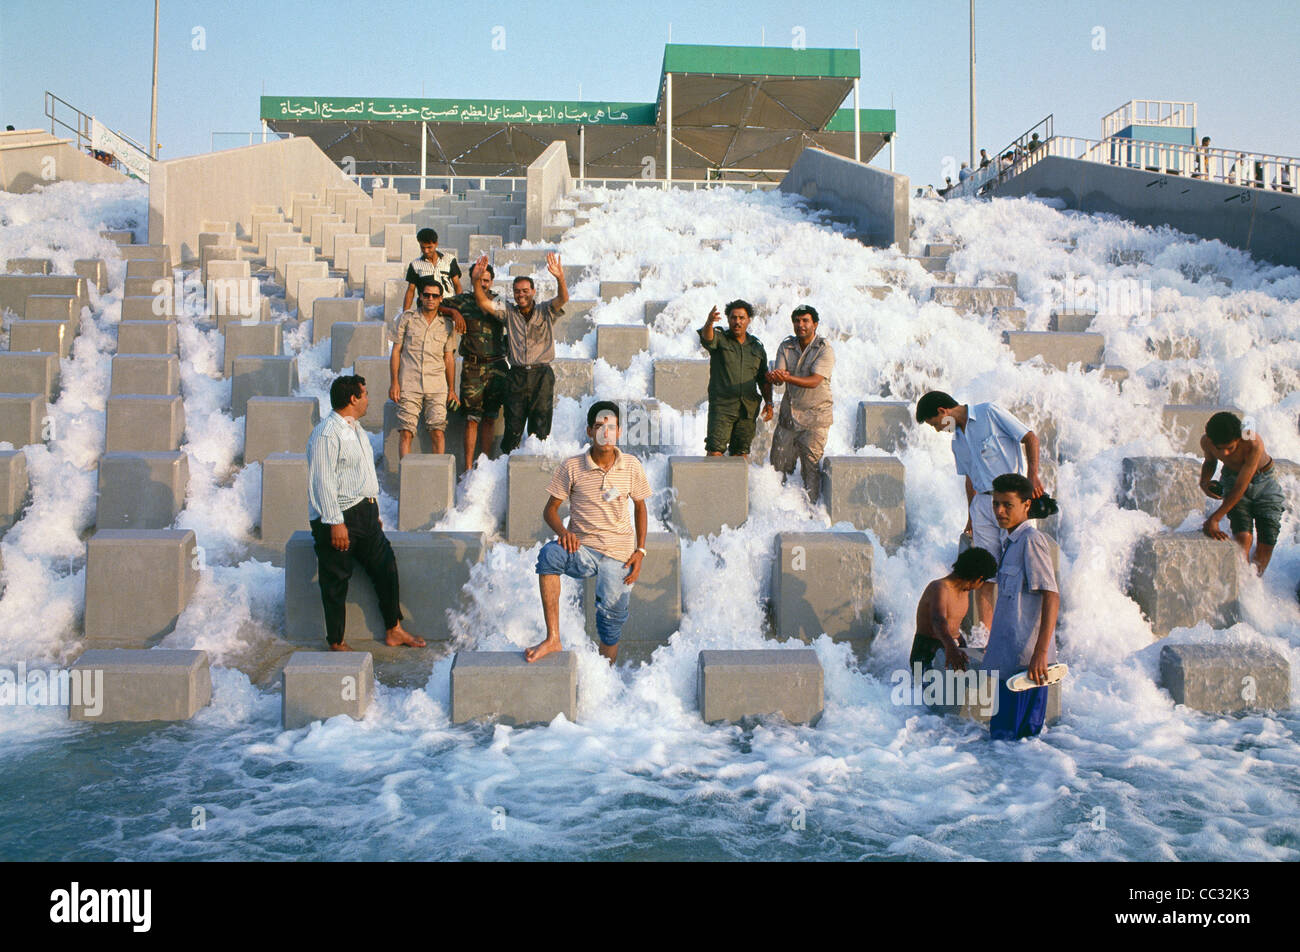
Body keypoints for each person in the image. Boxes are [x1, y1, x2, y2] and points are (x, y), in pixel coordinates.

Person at [306, 375, 425, 651]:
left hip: (365, 515)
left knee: (386, 567)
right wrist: (335, 522)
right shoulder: (326, 433)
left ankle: (394, 628)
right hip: (339, 517)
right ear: (352, 399)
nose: (369, 399)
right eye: (366, 394)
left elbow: (362, 474)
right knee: (335, 579)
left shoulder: (356, 429)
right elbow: (322, 480)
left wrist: (373, 508)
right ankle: (336, 641)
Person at [529, 401, 652, 665]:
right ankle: (553, 638)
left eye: (610, 427)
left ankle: (604, 677)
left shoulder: (631, 466)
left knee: (609, 625)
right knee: (549, 556)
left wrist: (640, 551)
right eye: (598, 427)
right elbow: (550, 510)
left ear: (618, 432)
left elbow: (641, 507)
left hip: (619, 554)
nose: (604, 433)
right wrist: (564, 532)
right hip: (581, 549)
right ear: (589, 431)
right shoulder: (572, 466)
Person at [915, 391, 1044, 633]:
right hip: (983, 506)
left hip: (1010, 499)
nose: (937, 430)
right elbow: (969, 479)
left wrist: (1032, 477)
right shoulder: (958, 441)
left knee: (1018, 567)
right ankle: (988, 636)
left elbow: (1030, 438)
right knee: (984, 573)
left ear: (943, 412)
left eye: (935, 424)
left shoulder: (988, 412)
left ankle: (1023, 634)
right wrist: (970, 516)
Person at [983, 473, 1059, 741]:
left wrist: (1040, 653)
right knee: (1008, 744)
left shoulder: (1031, 541)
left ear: (1027, 505)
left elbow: (1051, 595)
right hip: (1010, 660)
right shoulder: (1010, 542)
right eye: (995, 504)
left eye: (1007, 505)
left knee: (1017, 741)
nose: (1000, 511)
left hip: (1027, 666)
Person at [470, 252, 569, 453]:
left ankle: (534, 469)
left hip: (541, 374)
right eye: (517, 291)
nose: (520, 294)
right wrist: (475, 280)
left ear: (533, 291)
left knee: (540, 428)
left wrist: (560, 277)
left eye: (525, 290)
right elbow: (483, 302)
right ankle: (509, 467)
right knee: (513, 428)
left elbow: (563, 298)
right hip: (516, 375)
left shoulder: (545, 310)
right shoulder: (508, 311)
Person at [1200, 411, 1284, 575]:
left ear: (1239, 438)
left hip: (1264, 482)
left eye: (1230, 448)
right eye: (1220, 448)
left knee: (1267, 540)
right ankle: (1242, 581)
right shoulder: (1207, 441)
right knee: (1243, 537)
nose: (1224, 453)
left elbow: (1241, 486)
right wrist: (1204, 482)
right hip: (1231, 478)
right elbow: (1210, 462)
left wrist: (1214, 519)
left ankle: (1255, 581)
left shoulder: (1252, 442)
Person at [443, 261, 507, 468]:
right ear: (471, 280)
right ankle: (468, 467)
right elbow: (429, 303)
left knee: (489, 418)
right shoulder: (462, 302)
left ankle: (485, 465)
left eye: (487, 280)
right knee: (471, 419)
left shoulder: (498, 301)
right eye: (479, 279)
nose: (484, 284)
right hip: (472, 368)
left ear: (492, 282)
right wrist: (453, 312)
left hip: (496, 367)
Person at [767, 304, 833, 502]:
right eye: (796, 321)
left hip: (816, 418)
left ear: (815, 324)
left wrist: (786, 378)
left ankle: (812, 515)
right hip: (789, 417)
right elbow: (780, 378)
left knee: (810, 469)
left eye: (805, 321)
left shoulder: (825, 349)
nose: (800, 325)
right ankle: (778, 509)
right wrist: (776, 377)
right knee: (777, 466)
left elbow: (814, 381)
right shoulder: (786, 346)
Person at [389, 282, 460, 457]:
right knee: (406, 432)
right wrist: (394, 383)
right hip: (409, 383)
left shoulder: (447, 324)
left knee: (437, 431)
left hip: (436, 385)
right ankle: (406, 478)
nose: (430, 299)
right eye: (426, 295)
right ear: (420, 296)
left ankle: (437, 478)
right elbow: (396, 351)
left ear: (440, 299)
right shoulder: (407, 319)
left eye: (435, 296)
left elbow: (449, 358)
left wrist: (452, 390)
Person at [699, 300, 773, 459]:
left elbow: (763, 378)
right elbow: (707, 338)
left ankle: (737, 485)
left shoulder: (757, 347)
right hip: (722, 408)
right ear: (727, 319)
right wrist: (709, 322)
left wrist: (769, 402)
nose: (737, 322)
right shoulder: (720, 338)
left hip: (747, 409)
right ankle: (713, 484)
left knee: (741, 454)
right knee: (715, 452)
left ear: (748, 320)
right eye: (733, 317)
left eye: (741, 318)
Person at [911, 546, 998, 672]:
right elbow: (938, 620)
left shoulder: (964, 592)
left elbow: (954, 627)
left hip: (950, 646)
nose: (981, 586)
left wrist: (963, 646)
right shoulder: (940, 588)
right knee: (935, 689)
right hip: (927, 652)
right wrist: (951, 647)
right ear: (978, 578)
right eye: (983, 581)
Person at [401, 228, 462, 315]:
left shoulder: (449, 260)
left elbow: (457, 285)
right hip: (426, 308)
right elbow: (410, 291)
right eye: (423, 247)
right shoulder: (415, 265)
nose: (426, 251)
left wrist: (459, 308)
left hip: (449, 306)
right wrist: (405, 314)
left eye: (429, 247)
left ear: (436, 244)